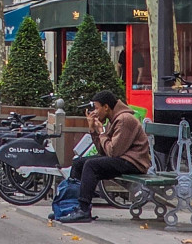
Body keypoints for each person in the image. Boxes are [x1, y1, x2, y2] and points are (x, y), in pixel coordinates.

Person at [58, 90, 150, 223]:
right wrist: (93, 130)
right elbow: (103, 151)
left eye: (96, 108)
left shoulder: (124, 119)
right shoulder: (113, 119)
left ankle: (83, 210)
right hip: (122, 158)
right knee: (79, 163)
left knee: (91, 165)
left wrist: (101, 132)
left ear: (106, 107)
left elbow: (113, 152)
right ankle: (70, 206)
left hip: (134, 162)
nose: (94, 112)